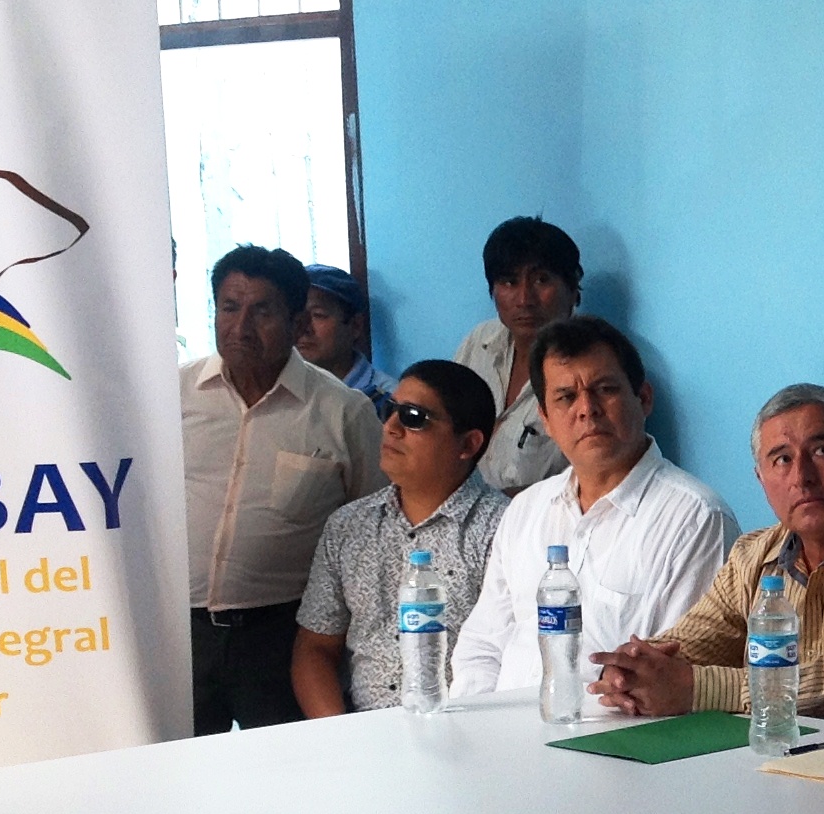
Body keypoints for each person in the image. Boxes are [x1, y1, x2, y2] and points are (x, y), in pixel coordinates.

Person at [588, 383, 824, 727]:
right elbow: (694, 639)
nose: (802, 477)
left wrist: (696, 688)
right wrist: (630, 670)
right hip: (772, 748)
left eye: (822, 451)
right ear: (761, 479)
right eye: (782, 459)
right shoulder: (752, 555)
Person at [451, 316, 737, 701]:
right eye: (566, 397)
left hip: (617, 732)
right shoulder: (526, 510)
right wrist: (474, 723)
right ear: (546, 419)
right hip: (501, 728)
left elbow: (674, 673)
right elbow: (482, 645)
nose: (587, 409)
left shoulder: (695, 518)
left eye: (605, 389)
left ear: (643, 398)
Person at [183, 245, 385, 736]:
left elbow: (371, 532)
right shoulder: (174, 395)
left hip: (283, 638)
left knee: (292, 772)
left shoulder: (343, 412)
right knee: (177, 769)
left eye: (262, 311)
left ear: (297, 323)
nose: (241, 327)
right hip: (180, 635)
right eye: (229, 307)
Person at [293, 360, 510, 714]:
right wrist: (340, 736)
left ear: (468, 444)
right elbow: (315, 648)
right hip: (362, 731)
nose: (391, 427)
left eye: (413, 417)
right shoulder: (348, 526)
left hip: (467, 726)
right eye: (389, 410)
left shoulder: (504, 529)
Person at [452, 216, 582, 493]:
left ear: (573, 289)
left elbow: (588, 484)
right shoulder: (479, 343)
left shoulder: (588, 368)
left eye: (542, 280)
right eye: (509, 282)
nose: (524, 299)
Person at [296, 262, 398, 416]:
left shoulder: (388, 400)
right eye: (297, 314)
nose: (304, 328)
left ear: (355, 326)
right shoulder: (283, 391)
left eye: (318, 315)